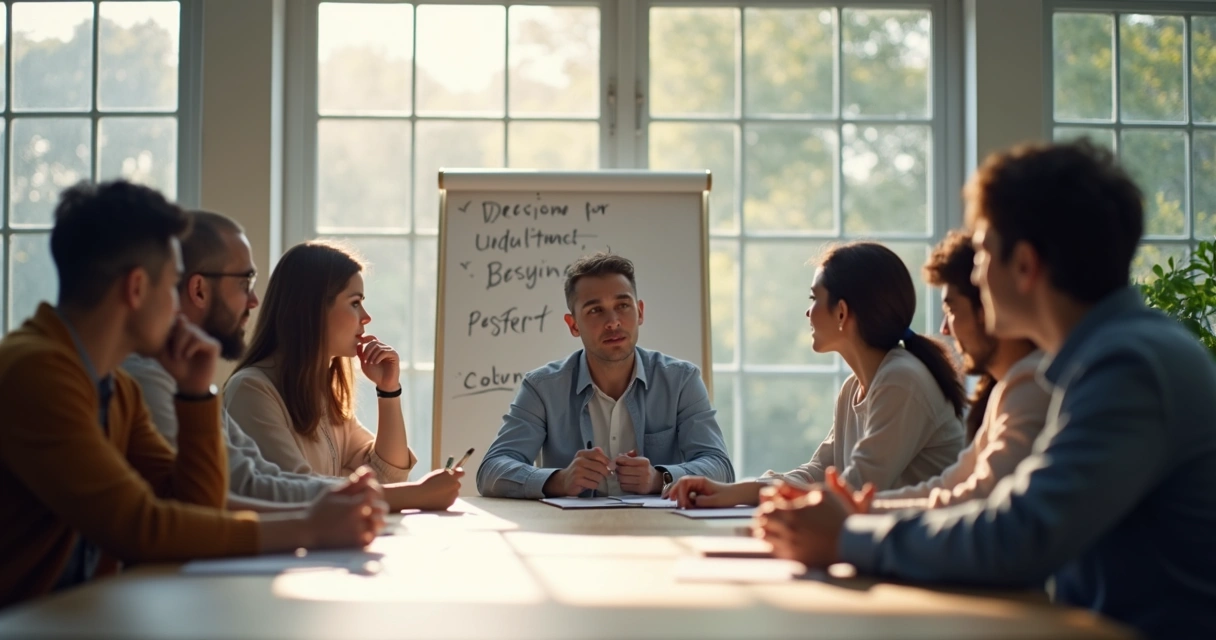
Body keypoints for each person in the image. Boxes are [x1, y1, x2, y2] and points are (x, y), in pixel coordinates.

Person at [757, 140, 1216, 638]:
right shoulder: (1105, 358)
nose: (976, 272)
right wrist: (861, 518)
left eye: (981, 251)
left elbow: (1019, 535)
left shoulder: (1130, 366)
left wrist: (849, 535)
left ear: (1024, 265)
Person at [0, 181, 383, 607]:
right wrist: (309, 529)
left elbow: (194, 501)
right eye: (171, 286)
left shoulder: (118, 387)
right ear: (137, 288)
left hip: (79, 613)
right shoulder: (37, 371)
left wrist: (196, 394)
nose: (178, 303)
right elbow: (137, 524)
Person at [666, 242, 966, 509]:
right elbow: (819, 470)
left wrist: (747, 494)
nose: (808, 313)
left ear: (842, 312)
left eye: (814, 298)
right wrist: (736, 490)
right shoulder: (855, 388)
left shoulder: (902, 380)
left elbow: (855, 488)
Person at [825, 230, 1049, 513]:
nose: (944, 329)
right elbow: (948, 487)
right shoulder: (1008, 390)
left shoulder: (1035, 385)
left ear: (987, 308)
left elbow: (971, 502)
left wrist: (854, 513)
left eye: (951, 309)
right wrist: (857, 509)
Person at [477, 252, 733, 499]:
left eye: (623, 306)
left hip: (662, 533)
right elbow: (491, 470)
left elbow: (720, 468)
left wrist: (660, 478)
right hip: (570, 536)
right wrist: (560, 480)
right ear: (573, 325)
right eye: (595, 310)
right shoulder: (542, 388)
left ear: (640, 312)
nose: (613, 322)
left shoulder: (681, 381)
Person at [225, 241, 460, 510]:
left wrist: (388, 390)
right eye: (355, 303)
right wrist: (418, 495)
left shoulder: (323, 393)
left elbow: (388, 474)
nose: (366, 317)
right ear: (312, 309)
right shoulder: (252, 390)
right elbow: (297, 490)